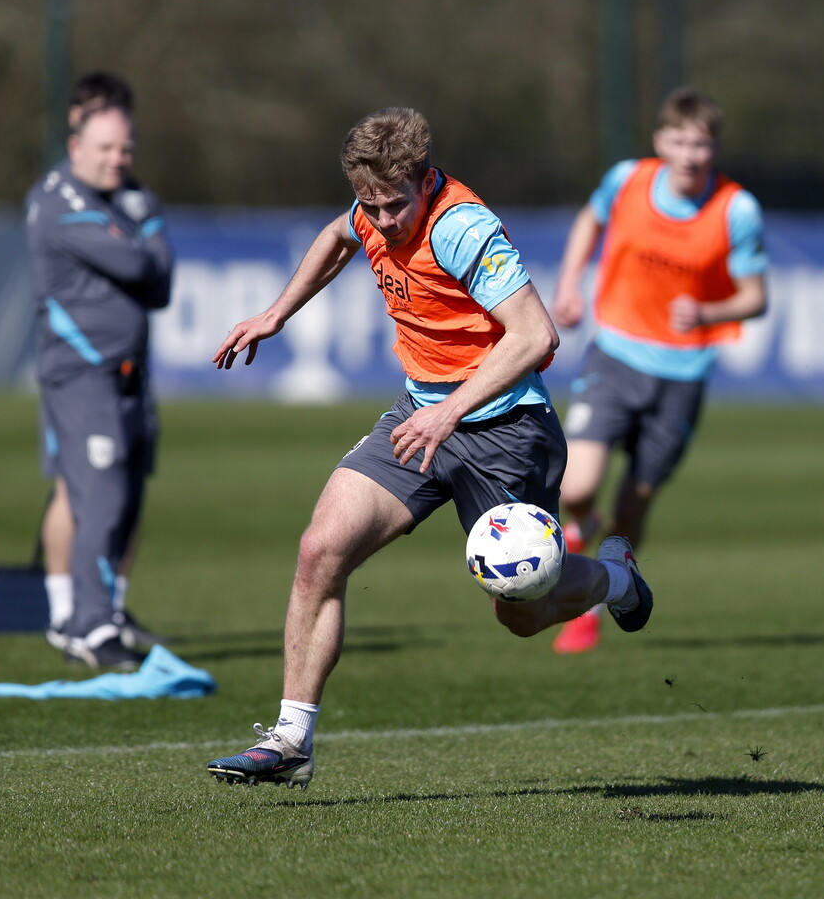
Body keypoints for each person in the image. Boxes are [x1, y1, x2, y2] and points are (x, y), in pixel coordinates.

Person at [204, 107, 653, 789]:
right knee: (321, 550)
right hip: (420, 417)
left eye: (395, 205)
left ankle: (615, 577)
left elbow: (536, 336)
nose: (383, 221)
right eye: (371, 205)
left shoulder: (461, 228)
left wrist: (450, 409)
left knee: (521, 613)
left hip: (507, 431)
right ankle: (291, 741)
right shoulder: (370, 211)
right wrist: (277, 312)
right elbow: (338, 236)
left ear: (424, 179)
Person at [548, 87, 768, 654]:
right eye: (681, 141)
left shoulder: (736, 209)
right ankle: (579, 526)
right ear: (660, 141)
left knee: (633, 504)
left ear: (716, 148)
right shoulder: (627, 181)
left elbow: (756, 297)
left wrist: (708, 312)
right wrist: (569, 284)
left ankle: (595, 603)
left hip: (682, 375)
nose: (692, 155)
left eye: (703, 144)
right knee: (577, 485)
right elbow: (589, 221)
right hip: (615, 354)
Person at [25, 99, 174, 670]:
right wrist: (141, 238)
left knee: (126, 496)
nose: (118, 159)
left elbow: (161, 282)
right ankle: (85, 624)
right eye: (106, 148)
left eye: (126, 149)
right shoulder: (57, 200)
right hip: (82, 373)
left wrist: (139, 238)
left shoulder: (128, 199)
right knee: (98, 496)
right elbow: (140, 266)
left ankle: (102, 615)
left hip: (130, 374)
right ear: (76, 147)